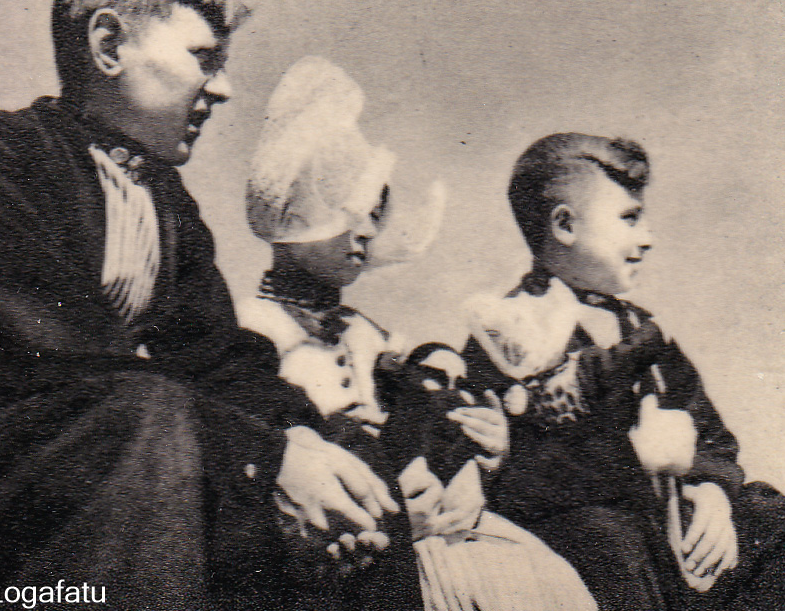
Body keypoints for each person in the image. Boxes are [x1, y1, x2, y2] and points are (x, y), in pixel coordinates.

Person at [0, 0, 400, 609]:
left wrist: (304, 439)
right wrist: (265, 459)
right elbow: (64, 359)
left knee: (346, 454)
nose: (226, 89)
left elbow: (218, 362)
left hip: (93, 448)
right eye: (203, 59)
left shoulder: (167, 205)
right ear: (108, 45)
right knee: (150, 411)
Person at [239, 57, 597, 610]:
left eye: (374, 212)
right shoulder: (247, 330)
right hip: (339, 540)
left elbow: (433, 401)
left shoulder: (370, 335)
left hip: (432, 513)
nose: (365, 229)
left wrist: (485, 456)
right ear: (291, 212)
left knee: (545, 582)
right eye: (345, 208)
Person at [458, 132, 785, 610]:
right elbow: (518, 472)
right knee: (608, 542)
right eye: (629, 219)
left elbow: (710, 433)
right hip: (588, 532)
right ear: (564, 226)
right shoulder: (508, 331)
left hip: (668, 520)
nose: (647, 238)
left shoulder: (640, 328)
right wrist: (633, 458)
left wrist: (712, 490)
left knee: (768, 516)